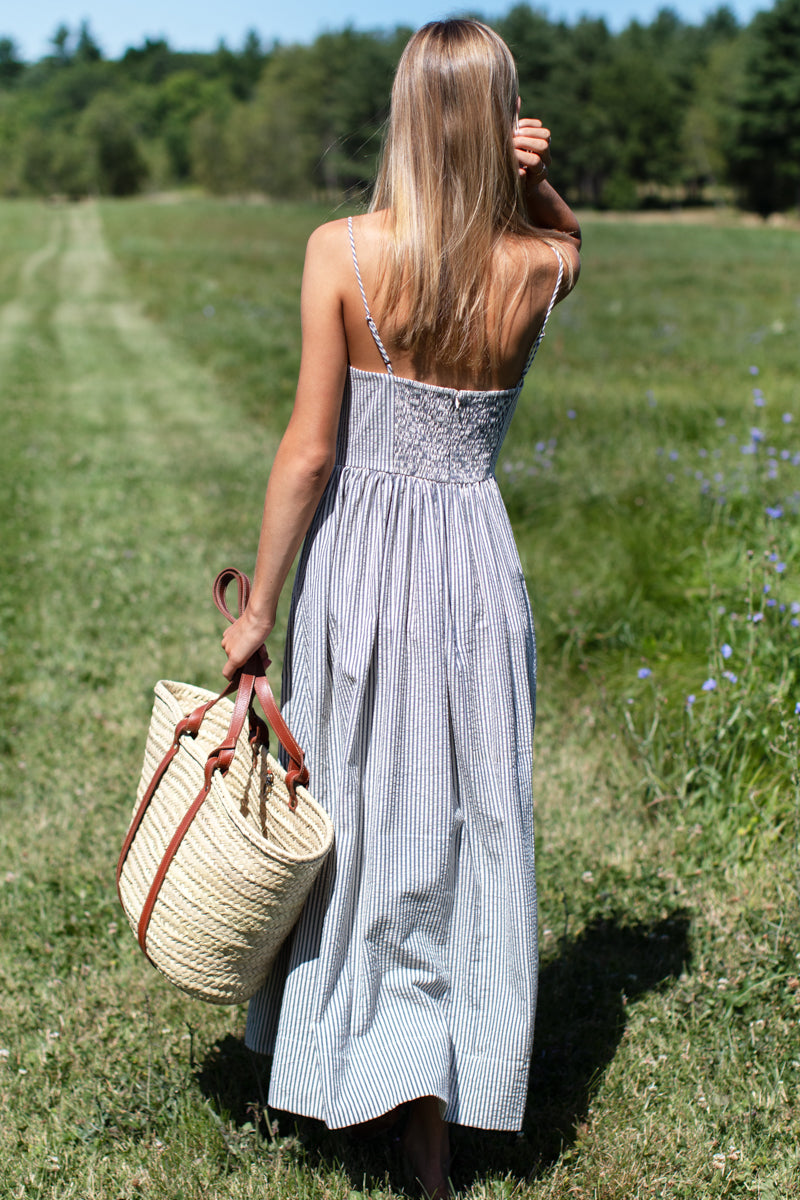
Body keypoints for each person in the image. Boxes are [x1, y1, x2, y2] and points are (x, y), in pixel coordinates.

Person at [221, 18, 581, 1199]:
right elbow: (571, 246)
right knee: (467, 819)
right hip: (475, 564)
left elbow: (309, 454)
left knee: (361, 811)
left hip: (363, 568)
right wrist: (535, 188)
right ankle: (435, 1093)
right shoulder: (534, 266)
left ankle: (354, 1065)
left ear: (401, 116)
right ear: (498, 126)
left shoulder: (341, 249)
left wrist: (256, 609)